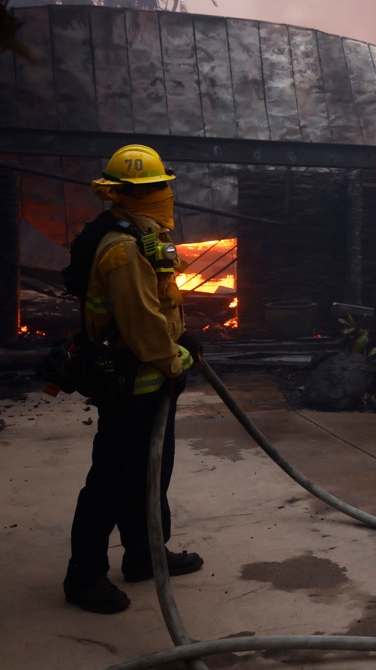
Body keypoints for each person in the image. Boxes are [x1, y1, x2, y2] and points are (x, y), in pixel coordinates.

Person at [63, 144, 203, 613]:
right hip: (130, 386)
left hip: (152, 385)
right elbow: (141, 323)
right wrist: (173, 361)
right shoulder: (122, 248)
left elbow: (161, 304)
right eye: (154, 188)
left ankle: (145, 556)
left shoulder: (145, 237)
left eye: (163, 185)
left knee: (151, 476)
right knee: (112, 480)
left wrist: (184, 339)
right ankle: (84, 576)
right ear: (126, 195)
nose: (164, 194)